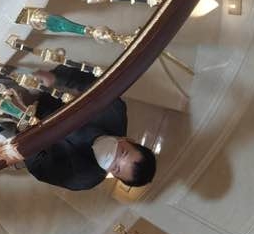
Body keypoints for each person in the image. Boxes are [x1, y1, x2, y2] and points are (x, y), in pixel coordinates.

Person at [23, 65, 157, 192]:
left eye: (116, 168)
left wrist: (26, 127)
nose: (111, 156)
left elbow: (37, 167)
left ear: (113, 175)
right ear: (128, 140)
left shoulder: (83, 178)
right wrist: (56, 78)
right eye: (122, 152)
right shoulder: (114, 109)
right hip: (45, 91)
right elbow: (87, 80)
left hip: (23, 125)